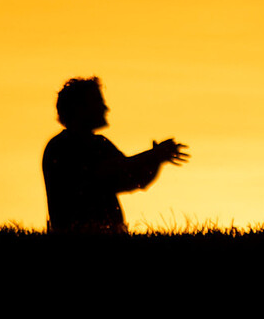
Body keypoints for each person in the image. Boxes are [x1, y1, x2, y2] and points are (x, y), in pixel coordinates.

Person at [42, 77, 189, 232]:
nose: (105, 108)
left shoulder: (99, 143)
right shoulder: (62, 147)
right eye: (97, 102)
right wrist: (152, 156)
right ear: (78, 108)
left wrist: (156, 159)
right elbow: (109, 172)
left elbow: (133, 178)